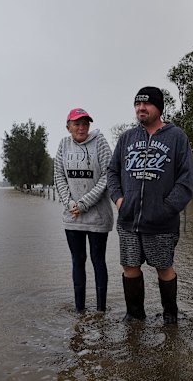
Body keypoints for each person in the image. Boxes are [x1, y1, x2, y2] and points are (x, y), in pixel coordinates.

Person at [107, 86, 193, 324]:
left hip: (162, 223)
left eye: (146, 104)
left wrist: (166, 209)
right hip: (128, 220)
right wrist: (119, 200)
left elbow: (187, 180)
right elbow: (112, 172)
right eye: (137, 104)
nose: (140, 108)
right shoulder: (127, 138)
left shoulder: (177, 137)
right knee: (130, 266)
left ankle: (170, 316)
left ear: (158, 107)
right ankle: (135, 316)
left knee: (163, 267)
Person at [54, 108, 114, 312]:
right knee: (77, 261)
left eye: (85, 124)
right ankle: (79, 311)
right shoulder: (63, 144)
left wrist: (84, 203)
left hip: (98, 216)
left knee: (98, 261)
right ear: (68, 127)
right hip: (72, 217)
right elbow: (59, 176)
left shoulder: (101, 143)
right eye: (77, 124)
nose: (81, 128)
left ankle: (100, 311)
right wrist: (69, 202)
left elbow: (108, 176)